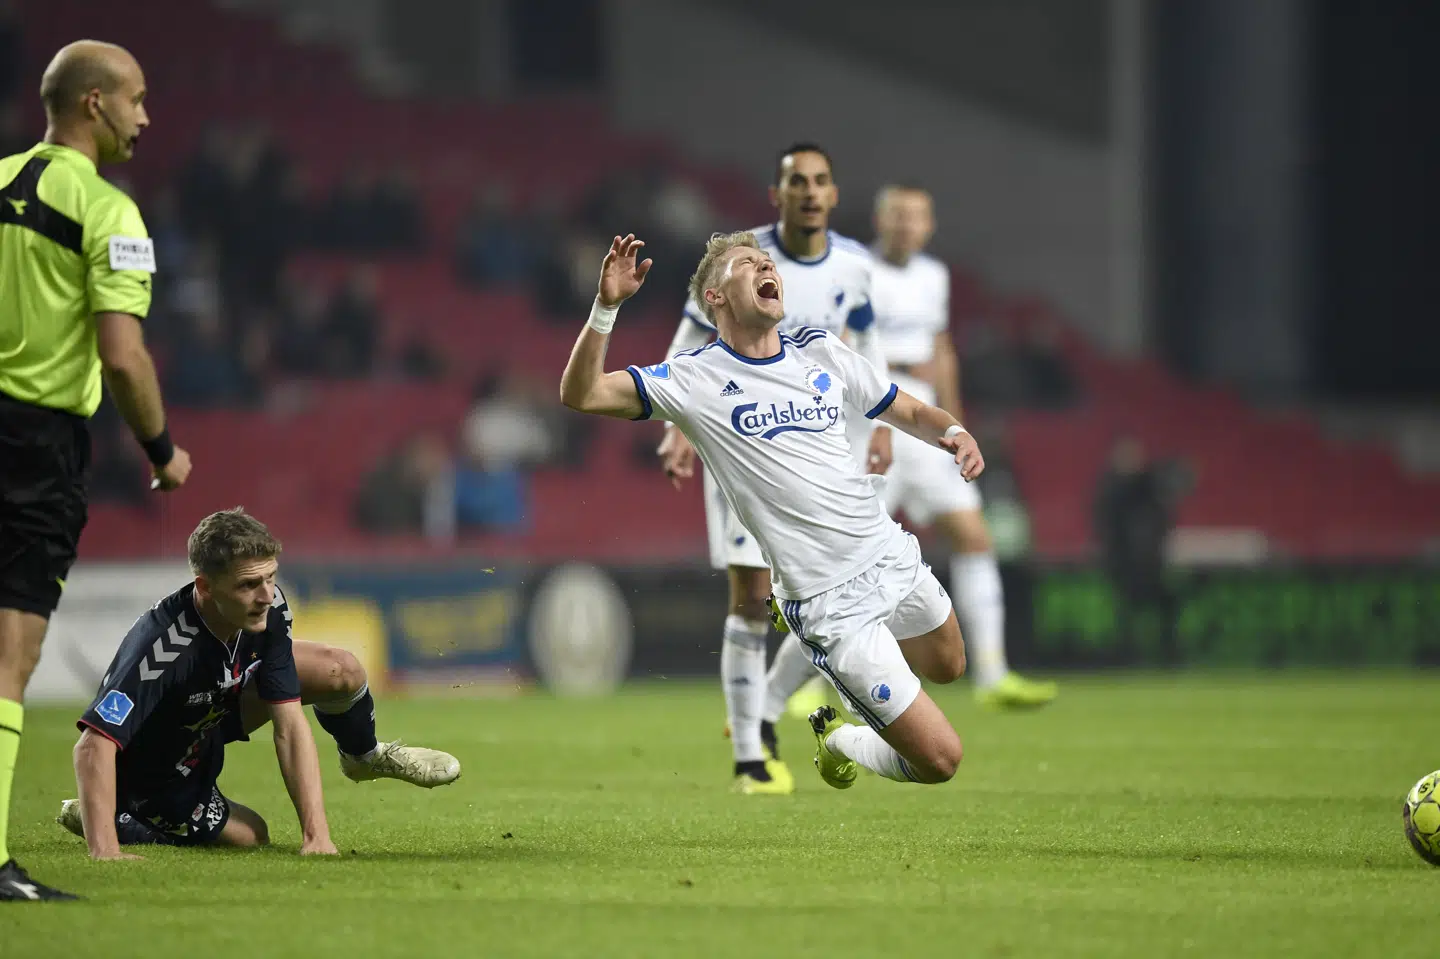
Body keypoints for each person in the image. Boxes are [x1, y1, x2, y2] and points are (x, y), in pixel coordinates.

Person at [562, 232, 981, 791]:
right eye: (747, 264)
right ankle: (842, 739)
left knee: (950, 665)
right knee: (941, 762)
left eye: (768, 263)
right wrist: (606, 308)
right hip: (829, 603)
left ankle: (873, 699)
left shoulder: (816, 347)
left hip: (887, 552)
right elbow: (582, 393)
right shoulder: (693, 378)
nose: (767, 268)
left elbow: (903, 406)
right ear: (714, 296)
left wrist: (952, 431)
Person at [0, 40, 193, 901]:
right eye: (137, 99)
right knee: (10, 656)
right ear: (93, 104)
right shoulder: (108, 211)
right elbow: (122, 356)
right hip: (32, 442)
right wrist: (161, 451)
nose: (145, 117)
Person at [654, 144, 890, 794]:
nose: (810, 192)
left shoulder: (854, 266)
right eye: (797, 182)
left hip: (824, 453)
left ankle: (762, 707)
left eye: (820, 182)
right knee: (753, 597)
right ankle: (751, 758)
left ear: (833, 194)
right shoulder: (740, 260)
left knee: (835, 594)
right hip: (742, 439)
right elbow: (687, 342)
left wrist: (882, 427)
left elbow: (866, 348)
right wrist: (676, 428)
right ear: (775, 195)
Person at [60, 508, 460, 860]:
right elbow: (93, 745)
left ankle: (364, 757)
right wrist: (106, 852)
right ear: (205, 587)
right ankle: (112, 814)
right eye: (248, 585)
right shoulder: (163, 649)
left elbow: (288, 722)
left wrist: (316, 837)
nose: (266, 595)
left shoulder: (268, 608)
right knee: (252, 835)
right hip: (158, 769)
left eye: (270, 578)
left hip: (212, 711)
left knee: (341, 669)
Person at [869, 184, 1055, 709]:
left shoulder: (933, 276)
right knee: (853, 553)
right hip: (875, 416)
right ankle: (816, 674)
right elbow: (841, 344)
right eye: (898, 215)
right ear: (880, 222)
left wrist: (957, 423)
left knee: (974, 537)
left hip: (926, 418)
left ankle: (993, 674)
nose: (907, 225)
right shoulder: (856, 271)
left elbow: (941, 347)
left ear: (929, 226)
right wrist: (891, 387)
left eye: (917, 216)